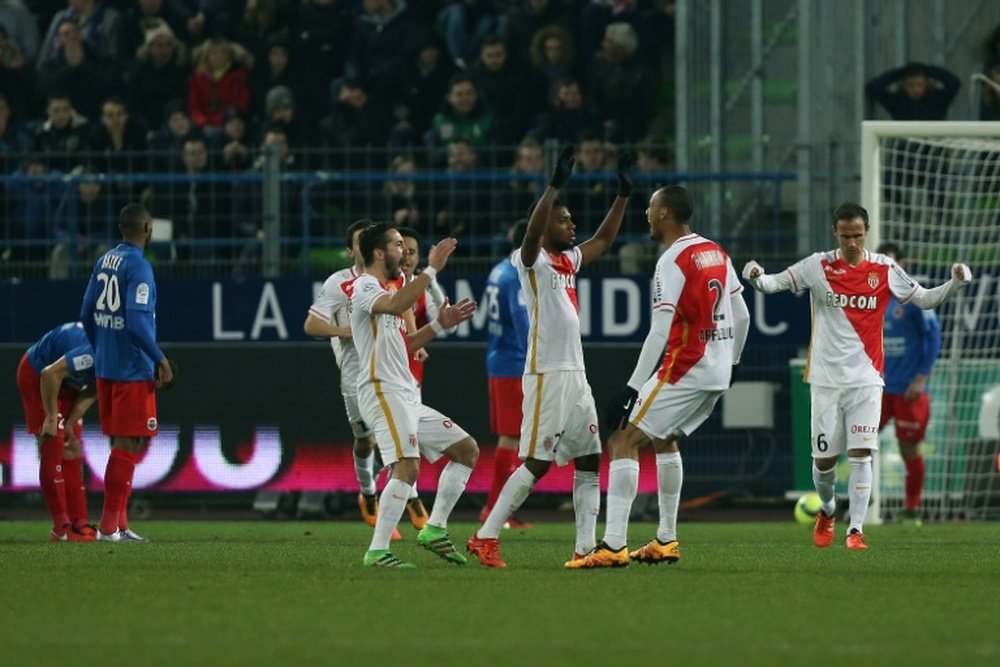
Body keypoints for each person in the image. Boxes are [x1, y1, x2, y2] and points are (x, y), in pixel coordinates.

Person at [742, 203, 971, 550]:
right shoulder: (817, 265)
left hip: (867, 378)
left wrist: (954, 283)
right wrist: (758, 277)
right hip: (825, 379)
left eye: (858, 235)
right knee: (824, 462)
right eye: (846, 235)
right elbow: (775, 284)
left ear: (867, 233)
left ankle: (856, 530)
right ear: (835, 232)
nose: (852, 242)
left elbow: (923, 299)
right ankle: (829, 510)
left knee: (862, 453)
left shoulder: (884, 267)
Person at [566, 186, 750, 569]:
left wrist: (633, 387)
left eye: (650, 208)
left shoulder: (672, 261)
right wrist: (731, 364)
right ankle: (665, 539)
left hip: (686, 366)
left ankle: (614, 545)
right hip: (717, 370)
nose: (646, 214)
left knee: (621, 440)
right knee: (665, 441)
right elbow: (743, 315)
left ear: (665, 213)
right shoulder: (716, 251)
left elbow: (659, 329)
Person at [466, 145, 632, 568]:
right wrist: (554, 185)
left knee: (590, 459)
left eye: (570, 217)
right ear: (544, 229)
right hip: (546, 374)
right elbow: (529, 236)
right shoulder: (532, 261)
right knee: (537, 462)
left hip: (576, 375)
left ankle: (583, 548)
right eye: (562, 218)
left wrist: (623, 195)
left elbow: (605, 239)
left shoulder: (568, 261)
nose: (571, 222)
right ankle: (485, 537)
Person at [352, 222, 478, 568]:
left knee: (466, 450)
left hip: (405, 392)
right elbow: (393, 306)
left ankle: (434, 528)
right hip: (380, 389)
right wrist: (432, 269)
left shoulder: (399, 286)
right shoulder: (363, 285)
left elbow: (404, 344)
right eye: (396, 244)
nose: (404, 251)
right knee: (407, 466)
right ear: (379, 253)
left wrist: (440, 324)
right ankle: (377, 551)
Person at [303, 219, 425, 538]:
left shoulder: (390, 278)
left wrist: (414, 339)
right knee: (365, 440)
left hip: (390, 372)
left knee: (394, 438)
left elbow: (403, 306)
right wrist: (343, 331)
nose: (364, 248)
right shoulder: (339, 284)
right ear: (350, 251)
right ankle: (368, 492)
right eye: (358, 243)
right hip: (357, 375)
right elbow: (311, 326)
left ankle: (404, 504)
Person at [80, 202, 174, 542]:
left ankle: (118, 523)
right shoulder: (139, 267)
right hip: (132, 369)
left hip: (107, 366)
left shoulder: (105, 261)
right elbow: (136, 321)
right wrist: (159, 359)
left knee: (122, 444)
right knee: (127, 443)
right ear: (147, 229)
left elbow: (86, 312)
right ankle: (107, 527)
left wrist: (99, 349)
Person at [876, 243, 942, 524]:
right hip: (876, 387)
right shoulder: (872, 296)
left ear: (901, 264)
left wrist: (921, 377)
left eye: (892, 263)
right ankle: (856, 503)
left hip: (908, 390)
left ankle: (911, 510)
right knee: (859, 443)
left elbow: (934, 338)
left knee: (908, 448)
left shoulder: (915, 296)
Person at [16, 321, 98, 541]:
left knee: (72, 449)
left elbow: (93, 389)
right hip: (38, 377)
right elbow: (49, 374)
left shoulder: (119, 358)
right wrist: (52, 417)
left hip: (67, 384)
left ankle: (79, 522)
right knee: (53, 445)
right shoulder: (96, 352)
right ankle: (60, 527)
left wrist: (71, 421)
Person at [479, 219, 532, 526]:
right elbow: (519, 315)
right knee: (511, 437)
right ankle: (495, 509)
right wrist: (535, 356)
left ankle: (500, 509)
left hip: (499, 358)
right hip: (515, 361)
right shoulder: (516, 274)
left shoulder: (499, 268)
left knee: (511, 437)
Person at [865, 61, 960, 120]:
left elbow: (954, 83)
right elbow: (873, 87)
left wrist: (928, 70)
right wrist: (901, 72)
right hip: (905, 148)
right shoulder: (897, 102)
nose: (915, 89)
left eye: (919, 85)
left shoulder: (938, 100)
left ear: (926, 84)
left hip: (934, 148)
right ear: (904, 86)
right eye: (911, 85)